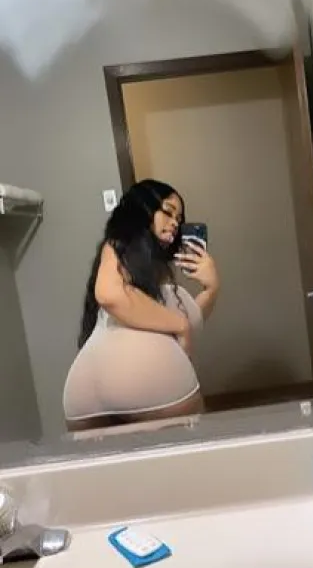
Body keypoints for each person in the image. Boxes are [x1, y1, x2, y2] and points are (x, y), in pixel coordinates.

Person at [63, 179, 219, 431]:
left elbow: (187, 317)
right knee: (188, 453)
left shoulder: (140, 273)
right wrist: (182, 323)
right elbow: (109, 294)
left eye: (179, 219)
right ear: (141, 210)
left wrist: (210, 289)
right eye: (167, 212)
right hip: (149, 383)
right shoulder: (119, 245)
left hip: (83, 394)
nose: (174, 223)